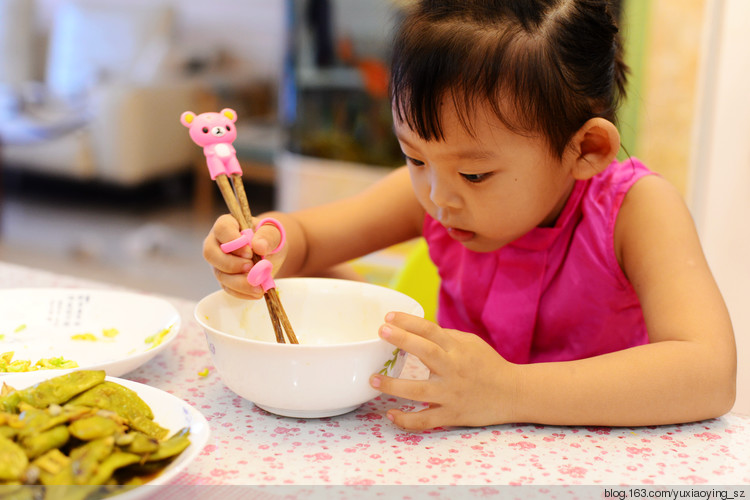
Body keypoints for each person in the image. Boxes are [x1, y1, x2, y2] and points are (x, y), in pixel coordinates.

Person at [203, 0, 736, 430]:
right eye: (414, 157)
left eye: (475, 174)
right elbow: (307, 243)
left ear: (585, 149)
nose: (438, 196)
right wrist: (258, 245)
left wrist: (508, 391)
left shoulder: (635, 210)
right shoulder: (437, 190)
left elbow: (708, 372)